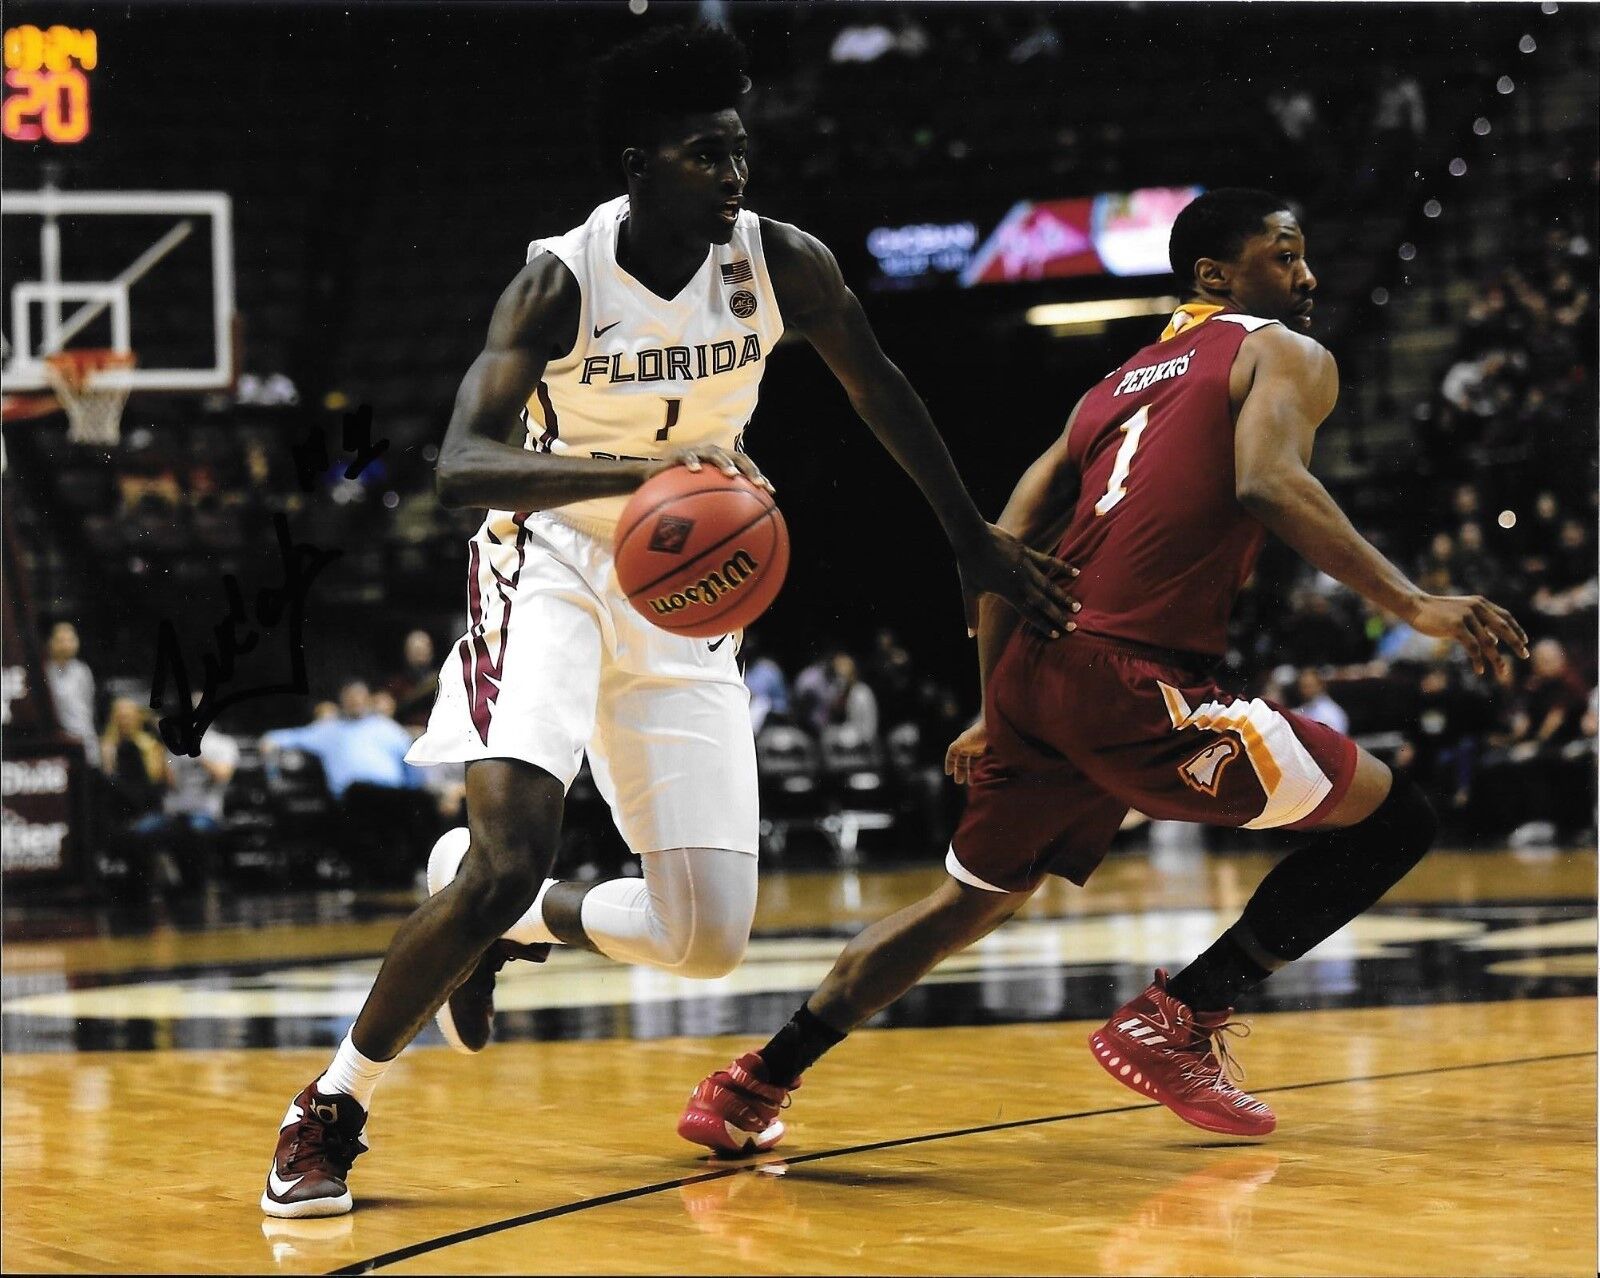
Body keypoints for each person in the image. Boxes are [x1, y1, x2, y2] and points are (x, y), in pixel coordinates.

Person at [262, 23, 1070, 1219]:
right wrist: (634, 491)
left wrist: (969, 535)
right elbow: (461, 468)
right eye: (706, 154)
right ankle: (329, 1111)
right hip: (546, 565)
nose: (735, 175)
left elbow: (880, 386)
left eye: (740, 151)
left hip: (688, 589)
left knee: (704, 937)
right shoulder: (558, 278)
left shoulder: (782, 261)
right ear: (640, 163)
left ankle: (526, 920)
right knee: (503, 853)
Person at [678, 187, 1529, 1154]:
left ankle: (754, 1083)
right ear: (1216, 275)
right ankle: (1182, 1016)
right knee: (1395, 819)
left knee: (967, 899)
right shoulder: (1283, 350)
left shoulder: (1108, 390)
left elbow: (1000, 544)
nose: (1309, 276)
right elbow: (1269, 481)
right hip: (1135, 677)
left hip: (1043, 675)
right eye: (1286, 254)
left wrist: (994, 706)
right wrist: (1416, 604)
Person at [43, 622, 97, 768]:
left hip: (83, 738)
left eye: (70, 640)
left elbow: (88, 708)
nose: (66, 645)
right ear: (51, 643)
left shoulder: (83, 671)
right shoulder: (44, 672)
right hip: (58, 740)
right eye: (61, 640)